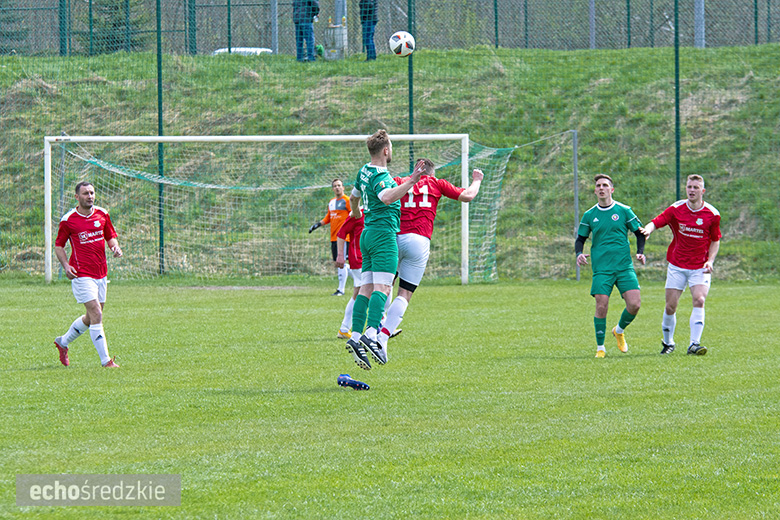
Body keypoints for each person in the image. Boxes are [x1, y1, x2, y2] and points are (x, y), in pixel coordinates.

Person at [376, 159, 484, 352]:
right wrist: (476, 180)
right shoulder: (436, 183)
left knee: (385, 285)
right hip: (419, 241)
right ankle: (383, 338)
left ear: (416, 171)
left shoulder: (400, 180)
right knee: (405, 293)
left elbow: (382, 196)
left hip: (395, 238)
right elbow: (468, 196)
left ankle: (376, 323)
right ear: (432, 174)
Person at [344, 129, 423, 370]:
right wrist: (411, 181)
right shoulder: (382, 177)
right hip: (382, 235)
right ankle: (371, 333)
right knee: (384, 287)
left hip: (366, 235)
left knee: (365, 288)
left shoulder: (364, 171)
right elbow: (387, 197)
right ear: (386, 151)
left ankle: (356, 337)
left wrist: (356, 212)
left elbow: (354, 196)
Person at [641, 174, 721, 356]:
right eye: (689, 187)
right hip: (677, 265)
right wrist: (648, 230)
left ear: (703, 191)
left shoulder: (712, 214)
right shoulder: (676, 208)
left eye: (695, 187)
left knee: (699, 300)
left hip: (700, 266)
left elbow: (715, 240)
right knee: (670, 306)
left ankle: (694, 344)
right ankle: (668, 343)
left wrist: (710, 260)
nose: (691, 190)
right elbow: (657, 221)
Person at [575, 174, 646, 358]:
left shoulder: (624, 210)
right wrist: (579, 253)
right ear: (595, 190)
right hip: (602, 268)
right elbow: (581, 238)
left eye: (605, 185)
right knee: (601, 305)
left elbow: (639, 232)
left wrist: (640, 251)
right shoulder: (590, 215)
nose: (601, 188)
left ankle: (619, 330)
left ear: (611, 189)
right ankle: (600, 348)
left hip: (624, 266)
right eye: (598, 185)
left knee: (635, 304)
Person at [53, 181, 122, 368]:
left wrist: (115, 247)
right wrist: (66, 266)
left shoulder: (102, 214)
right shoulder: (68, 220)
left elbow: (110, 236)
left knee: (91, 317)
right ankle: (106, 361)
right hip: (81, 274)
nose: (89, 196)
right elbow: (59, 245)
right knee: (96, 314)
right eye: (85, 193)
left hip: (101, 273)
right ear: (77, 197)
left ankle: (63, 342)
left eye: (92, 193)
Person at [309, 178, 351, 296]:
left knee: (341, 263)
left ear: (343, 187)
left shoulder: (348, 201)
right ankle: (363, 279)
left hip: (344, 237)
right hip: (334, 237)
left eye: (339, 185)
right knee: (339, 263)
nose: (337, 187)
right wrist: (317, 225)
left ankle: (341, 290)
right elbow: (328, 217)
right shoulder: (332, 202)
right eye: (335, 186)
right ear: (333, 189)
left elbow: (354, 215)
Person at [335, 210, 364, 339]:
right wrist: (340, 255)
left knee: (359, 294)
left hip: (371, 260)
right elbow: (341, 233)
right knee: (369, 291)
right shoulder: (358, 212)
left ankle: (344, 329)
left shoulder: (378, 211)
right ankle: (382, 324)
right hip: (359, 259)